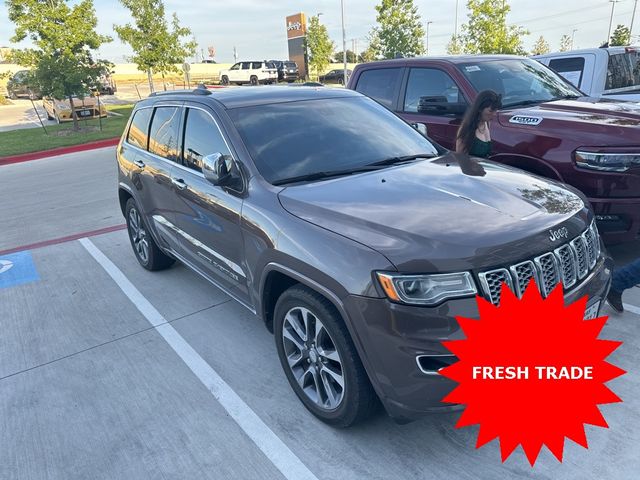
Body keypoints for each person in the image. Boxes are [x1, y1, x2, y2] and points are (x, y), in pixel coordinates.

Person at [455, 90, 502, 158]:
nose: (494, 114)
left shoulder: (487, 123)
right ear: (480, 109)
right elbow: (460, 157)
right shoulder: (467, 128)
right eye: (490, 111)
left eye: (495, 111)